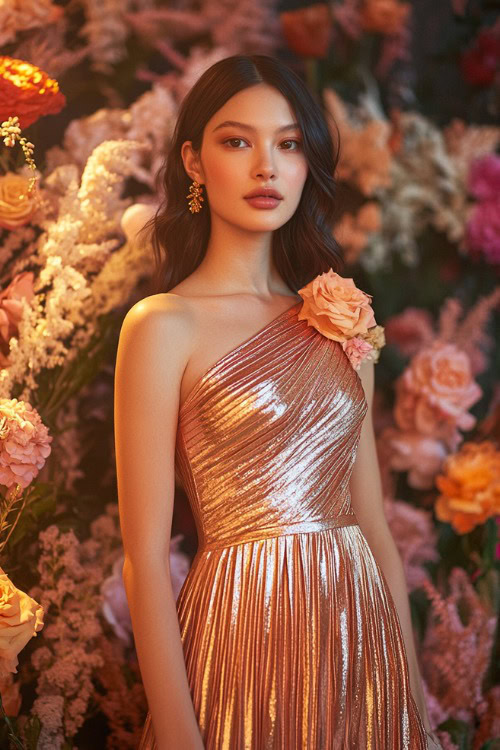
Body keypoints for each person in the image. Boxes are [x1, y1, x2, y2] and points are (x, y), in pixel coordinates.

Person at [114, 54, 443, 750]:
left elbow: (374, 525)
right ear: (194, 162)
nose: (267, 166)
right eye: (238, 141)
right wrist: (176, 732)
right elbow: (144, 555)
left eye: (288, 144)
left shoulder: (341, 321)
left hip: (361, 640)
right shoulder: (162, 325)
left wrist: (413, 696)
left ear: (306, 163)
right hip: (243, 629)